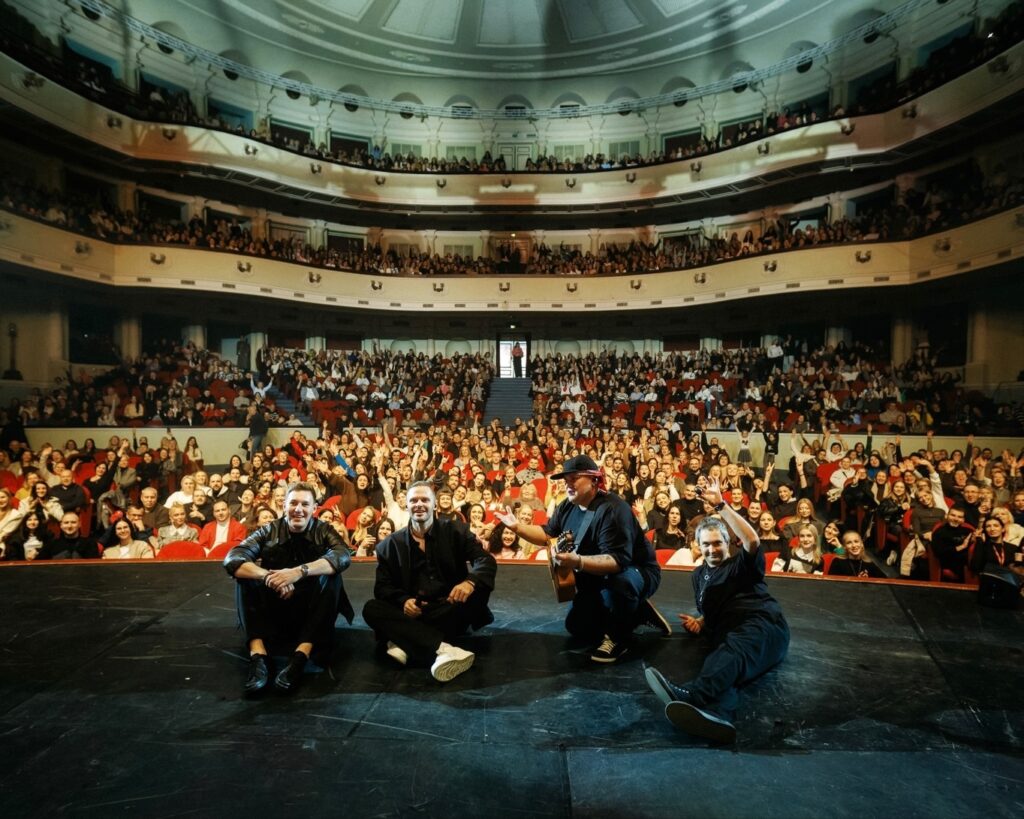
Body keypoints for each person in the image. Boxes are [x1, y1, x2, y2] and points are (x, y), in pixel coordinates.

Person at [644, 477, 789, 744]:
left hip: (763, 627)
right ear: (697, 545)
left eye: (718, 543)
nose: (712, 549)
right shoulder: (698, 575)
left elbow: (752, 540)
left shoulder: (740, 565)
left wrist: (722, 506)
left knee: (732, 651)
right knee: (725, 668)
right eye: (706, 544)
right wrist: (702, 621)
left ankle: (692, 696)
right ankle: (718, 718)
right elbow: (719, 603)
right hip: (729, 637)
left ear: (728, 542)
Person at [498, 454, 669, 664]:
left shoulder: (614, 510)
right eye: (566, 480)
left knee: (621, 583)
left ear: (594, 480)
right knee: (577, 627)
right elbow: (547, 534)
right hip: (595, 573)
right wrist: (517, 527)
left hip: (636, 572)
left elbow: (617, 562)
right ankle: (637, 611)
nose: (568, 484)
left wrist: (578, 562)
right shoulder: (567, 506)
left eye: (574, 479)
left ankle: (619, 637)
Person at [223, 482, 354, 696]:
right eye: (293, 503)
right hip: (275, 605)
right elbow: (233, 558)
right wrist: (270, 577)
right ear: (284, 506)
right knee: (244, 576)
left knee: (332, 577)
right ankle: (258, 656)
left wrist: (298, 572)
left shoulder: (324, 530)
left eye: (305, 504)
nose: (298, 509)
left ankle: (301, 656)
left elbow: (343, 556)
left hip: (310, 610)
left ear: (314, 508)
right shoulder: (268, 530)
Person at [362, 481, 496, 683]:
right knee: (371, 609)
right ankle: (445, 649)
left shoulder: (456, 531)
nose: (419, 504)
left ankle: (406, 642)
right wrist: (404, 601)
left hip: (450, 609)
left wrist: (469, 582)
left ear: (434, 505)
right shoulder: (390, 545)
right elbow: (382, 587)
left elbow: (486, 560)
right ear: (407, 506)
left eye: (425, 500)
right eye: (413, 500)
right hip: (415, 614)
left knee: (479, 588)